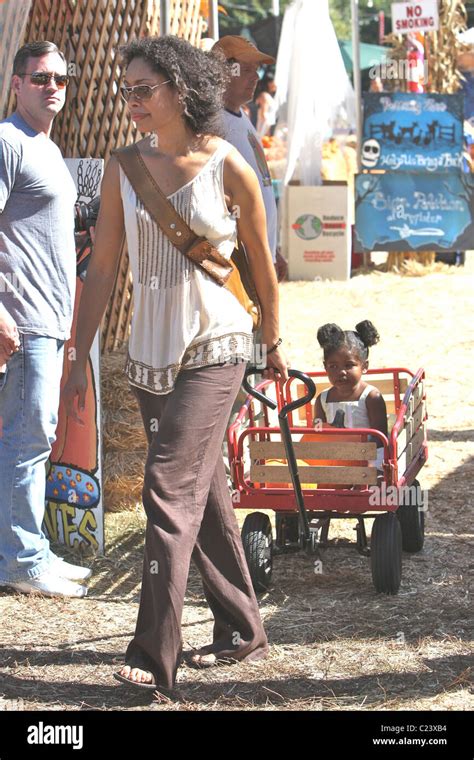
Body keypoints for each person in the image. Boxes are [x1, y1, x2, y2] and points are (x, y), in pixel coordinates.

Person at [63, 35, 288, 694]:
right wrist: (79, 354)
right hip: (148, 354)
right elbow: (103, 267)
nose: (130, 102)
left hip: (216, 344)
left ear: (181, 90)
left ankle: (152, 655)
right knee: (203, 493)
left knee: (165, 489)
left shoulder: (229, 164)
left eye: (142, 89)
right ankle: (244, 629)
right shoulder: (122, 167)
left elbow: (262, 264)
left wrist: (272, 341)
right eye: (124, 90)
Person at [0, 41, 92, 598]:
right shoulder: (7, 143)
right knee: (26, 438)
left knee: (35, 436)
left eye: (59, 77)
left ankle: (29, 549)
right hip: (24, 320)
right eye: (39, 78)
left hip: (50, 320)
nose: (52, 86)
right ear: (16, 83)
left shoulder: (47, 147)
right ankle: (21, 561)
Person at [211, 36, 287, 281]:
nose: (255, 77)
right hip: (239, 261)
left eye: (256, 70)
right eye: (245, 70)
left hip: (257, 254)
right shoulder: (213, 125)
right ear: (221, 71)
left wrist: (271, 248)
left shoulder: (240, 118)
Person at [314, 321, 387, 471]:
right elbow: (317, 435)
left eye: (349, 365)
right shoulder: (322, 400)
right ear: (325, 367)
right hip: (334, 458)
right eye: (333, 366)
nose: (341, 372)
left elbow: (379, 440)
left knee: (376, 480)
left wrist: (359, 459)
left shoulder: (371, 397)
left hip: (368, 458)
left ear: (364, 366)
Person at [255, 72, 278, 138]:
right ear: (269, 83)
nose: (276, 85)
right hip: (264, 129)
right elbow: (263, 115)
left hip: (267, 128)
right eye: (275, 82)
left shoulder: (267, 96)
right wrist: (267, 132)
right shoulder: (264, 96)